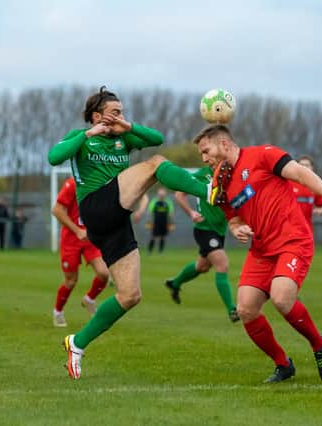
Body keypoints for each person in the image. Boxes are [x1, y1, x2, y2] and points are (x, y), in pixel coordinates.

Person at [48, 86, 222, 379]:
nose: (120, 117)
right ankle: (210, 191)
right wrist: (87, 135)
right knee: (156, 164)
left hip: (115, 220)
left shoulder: (123, 138)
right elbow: (54, 157)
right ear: (96, 116)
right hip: (95, 206)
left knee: (130, 295)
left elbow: (157, 138)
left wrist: (127, 126)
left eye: (122, 112)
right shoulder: (81, 139)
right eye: (115, 112)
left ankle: (76, 344)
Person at [193, 124, 322, 383]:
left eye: (205, 150)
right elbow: (232, 220)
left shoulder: (263, 154)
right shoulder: (218, 183)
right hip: (261, 250)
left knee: (282, 298)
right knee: (246, 309)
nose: (203, 158)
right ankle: (283, 365)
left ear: (224, 144)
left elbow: (300, 173)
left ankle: (319, 344)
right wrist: (237, 229)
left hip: (293, 241)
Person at [165, 166, 239, 322]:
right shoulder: (202, 174)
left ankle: (175, 283)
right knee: (222, 264)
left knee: (202, 266)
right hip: (204, 229)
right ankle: (232, 310)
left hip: (219, 231)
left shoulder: (231, 174)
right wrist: (191, 213)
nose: (209, 158)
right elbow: (179, 194)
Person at [51, 177, 110, 327]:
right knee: (71, 281)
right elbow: (56, 210)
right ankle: (58, 312)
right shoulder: (73, 183)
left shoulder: (99, 182)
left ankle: (89, 300)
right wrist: (77, 230)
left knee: (104, 273)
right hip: (71, 239)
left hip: (90, 237)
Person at [290, 155, 322, 231]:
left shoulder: (315, 186)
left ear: (312, 168)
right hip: (289, 229)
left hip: (307, 229)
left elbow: (321, 207)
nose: (304, 168)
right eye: (301, 165)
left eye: (307, 165)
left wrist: (319, 211)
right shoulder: (288, 183)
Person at [147, 187, 174, 253]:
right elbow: (150, 211)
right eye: (160, 194)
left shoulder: (168, 202)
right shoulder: (154, 201)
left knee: (163, 236)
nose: (161, 195)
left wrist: (171, 223)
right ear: (158, 194)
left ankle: (160, 251)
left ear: (165, 194)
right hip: (156, 222)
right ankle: (150, 250)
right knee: (153, 236)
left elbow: (171, 213)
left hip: (164, 222)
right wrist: (149, 222)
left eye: (163, 194)